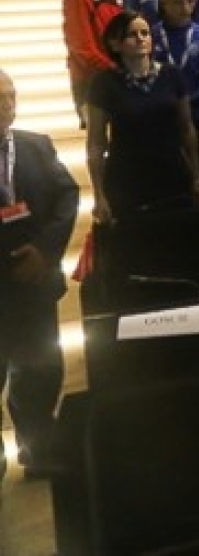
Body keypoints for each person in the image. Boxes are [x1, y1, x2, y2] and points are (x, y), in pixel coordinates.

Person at [0, 70, 79, 481]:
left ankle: (38, 449)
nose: (8, 106)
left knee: (42, 370)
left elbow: (67, 196)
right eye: (0, 98)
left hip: (34, 279)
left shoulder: (35, 145)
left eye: (11, 96)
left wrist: (46, 252)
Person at [85, 11, 199, 229]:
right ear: (115, 44)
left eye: (145, 33)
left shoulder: (171, 75)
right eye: (132, 34)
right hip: (127, 177)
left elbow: (186, 128)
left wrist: (197, 177)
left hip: (172, 173)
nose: (141, 38)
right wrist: (99, 193)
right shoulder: (103, 83)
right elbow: (96, 143)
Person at [63, 0, 126, 125]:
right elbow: (81, 46)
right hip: (91, 79)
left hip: (118, 75)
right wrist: (113, 69)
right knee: (97, 142)